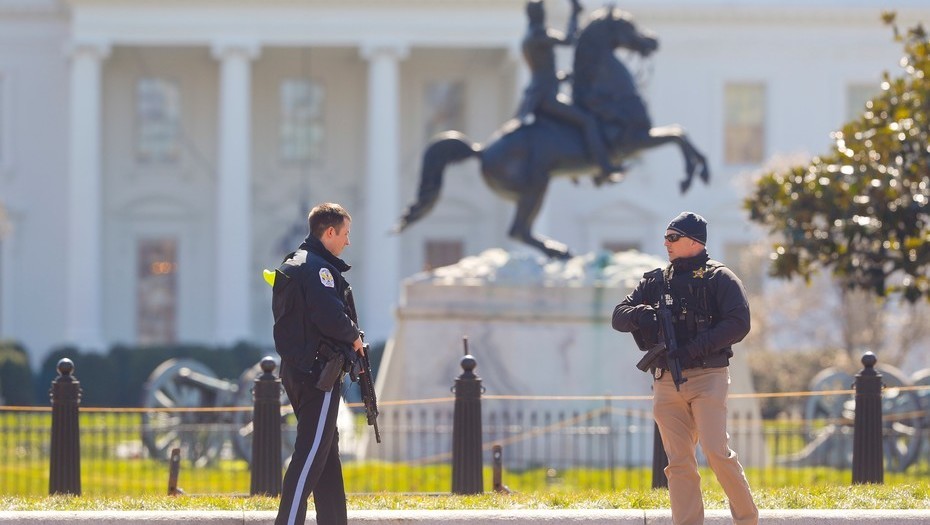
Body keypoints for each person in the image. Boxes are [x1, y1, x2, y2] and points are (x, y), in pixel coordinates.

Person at [612, 211, 758, 525]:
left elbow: (738, 323)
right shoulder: (655, 280)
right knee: (678, 463)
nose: (666, 242)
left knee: (717, 452)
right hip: (666, 381)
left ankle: (747, 520)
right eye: (666, 236)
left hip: (708, 377)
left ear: (694, 241)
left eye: (673, 237)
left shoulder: (720, 278)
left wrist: (694, 348)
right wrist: (642, 313)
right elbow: (618, 315)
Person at [270, 202, 364, 525]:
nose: (348, 242)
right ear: (329, 232)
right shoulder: (320, 269)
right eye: (345, 234)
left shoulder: (293, 262)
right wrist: (354, 337)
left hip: (297, 371)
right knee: (310, 456)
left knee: (325, 453)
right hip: (318, 376)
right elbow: (329, 317)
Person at [516, 0, 624, 182]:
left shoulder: (529, 37)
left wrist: (560, 77)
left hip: (541, 92)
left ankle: (580, 166)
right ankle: (603, 167)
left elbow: (542, 70)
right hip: (546, 97)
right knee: (588, 121)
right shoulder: (538, 35)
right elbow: (569, 39)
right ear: (538, 15)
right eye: (542, 11)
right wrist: (574, 13)